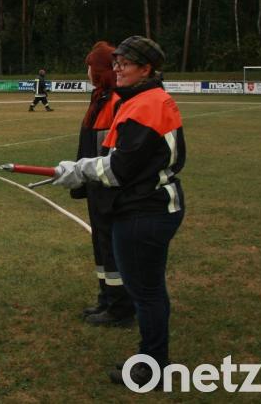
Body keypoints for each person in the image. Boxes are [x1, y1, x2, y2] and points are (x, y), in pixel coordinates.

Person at [51, 36, 185, 388]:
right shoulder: (141, 99)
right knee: (149, 290)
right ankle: (153, 361)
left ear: (146, 69)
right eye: (117, 63)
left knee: (147, 293)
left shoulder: (147, 104)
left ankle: (152, 368)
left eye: (125, 64)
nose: (118, 69)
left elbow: (118, 170)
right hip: (145, 208)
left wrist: (77, 170)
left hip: (144, 211)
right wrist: (82, 167)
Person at [73, 41, 135, 327]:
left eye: (90, 67)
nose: (87, 72)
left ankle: (121, 307)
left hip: (110, 188)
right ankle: (106, 298)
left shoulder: (116, 102)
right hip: (95, 186)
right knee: (100, 243)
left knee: (112, 246)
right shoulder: (99, 98)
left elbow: (111, 153)